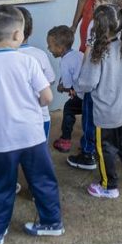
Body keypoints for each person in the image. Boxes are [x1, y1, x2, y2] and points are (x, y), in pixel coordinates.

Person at [0, 5, 64, 244]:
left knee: (3, 185)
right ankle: (52, 223)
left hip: (0, 140)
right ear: (17, 35)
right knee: (43, 180)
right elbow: (47, 98)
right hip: (31, 135)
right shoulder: (28, 61)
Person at [76, 4, 122, 198]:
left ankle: (109, 186)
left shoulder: (97, 53)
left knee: (104, 149)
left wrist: (76, 83)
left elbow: (87, 83)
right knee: (121, 140)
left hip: (106, 113)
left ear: (96, 27)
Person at [68, 0, 122, 171]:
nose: (95, 5)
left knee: (89, 117)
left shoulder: (96, 26)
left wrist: (80, 78)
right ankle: (106, 149)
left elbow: (89, 52)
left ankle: (88, 153)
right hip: (115, 84)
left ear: (108, 7)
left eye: (99, 3)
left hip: (95, 84)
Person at [17, 6, 56, 138]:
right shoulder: (40, 55)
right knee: (39, 153)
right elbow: (50, 80)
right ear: (31, 31)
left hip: (15, 118)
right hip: (40, 116)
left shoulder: (3, 58)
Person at [47, 25, 83, 153]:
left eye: (50, 46)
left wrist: (60, 87)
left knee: (68, 109)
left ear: (60, 48)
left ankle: (65, 140)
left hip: (82, 96)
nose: (48, 49)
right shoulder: (79, 54)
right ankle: (88, 141)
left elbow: (67, 85)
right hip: (90, 94)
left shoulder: (64, 62)